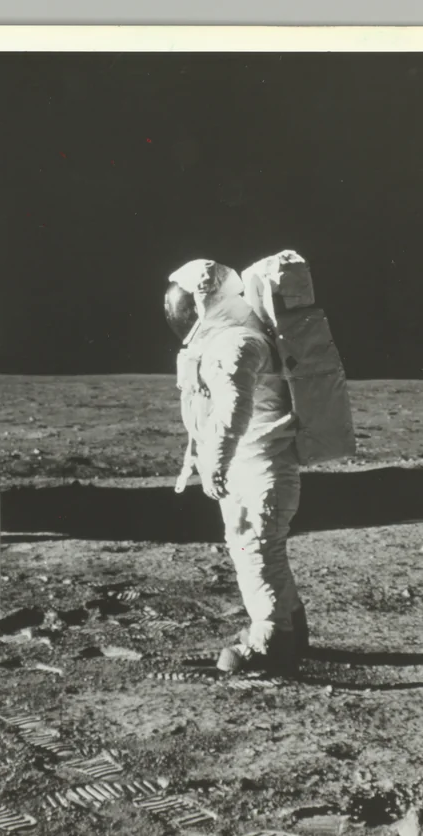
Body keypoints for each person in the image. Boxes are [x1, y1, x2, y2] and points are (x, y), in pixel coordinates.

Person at [165, 259, 309, 675]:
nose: (180, 317)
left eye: (185, 307)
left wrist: (216, 461)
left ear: (204, 304)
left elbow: (233, 408)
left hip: (258, 467)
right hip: (259, 465)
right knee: (265, 552)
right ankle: (292, 630)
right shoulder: (234, 339)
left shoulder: (235, 344)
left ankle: (272, 643)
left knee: (255, 552)